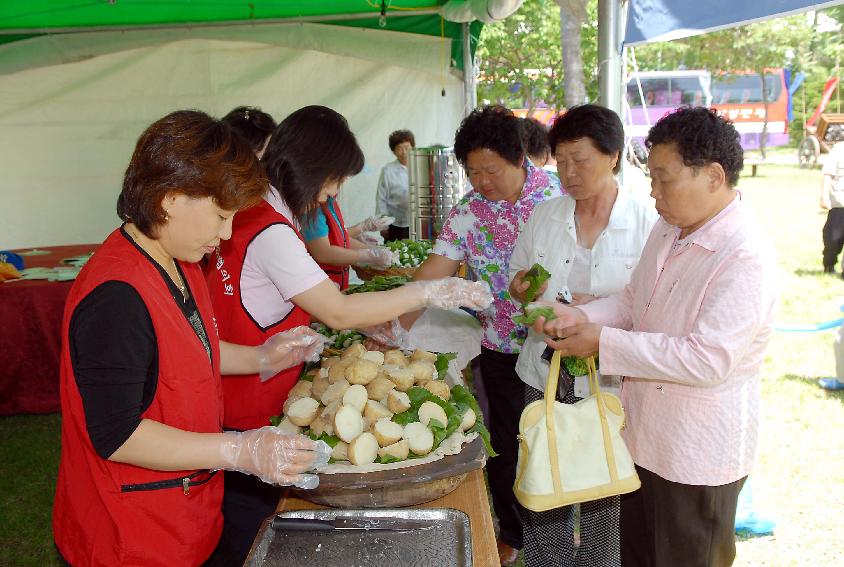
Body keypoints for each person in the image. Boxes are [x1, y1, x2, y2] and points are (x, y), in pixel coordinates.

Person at [206, 104, 492, 562]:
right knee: (252, 535)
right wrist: (426, 292)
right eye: (336, 180)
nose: (331, 195)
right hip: (248, 401)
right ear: (314, 165)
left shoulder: (258, 210)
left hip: (243, 384)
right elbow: (338, 311)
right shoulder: (269, 227)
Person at [52, 110, 331, 567]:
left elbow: (185, 348)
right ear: (170, 198)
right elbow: (117, 434)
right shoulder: (115, 298)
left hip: (184, 515)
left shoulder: (180, 260)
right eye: (221, 216)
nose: (225, 236)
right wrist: (238, 450)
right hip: (128, 534)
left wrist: (262, 357)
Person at [534, 107, 778, 567]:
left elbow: (707, 360)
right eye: (652, 178)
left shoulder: (745, 255)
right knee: (639, 555)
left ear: (713, 176)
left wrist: (603, 343)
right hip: (643, 436)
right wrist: (579, 316)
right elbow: (632, 301)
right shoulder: (668, 229)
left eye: (665, 179)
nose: (654, 192)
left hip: (695, 453)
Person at [401, 104, 562, 566]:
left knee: (555, 442)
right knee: (507, 445)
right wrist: (391, 326)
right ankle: (512, 532)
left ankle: (563, 534)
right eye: (473, 172)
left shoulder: (554, 199)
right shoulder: (468, 212)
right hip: (500, 349)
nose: (482, 181)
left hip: (556, 348)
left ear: (519, 158)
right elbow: (433, 275)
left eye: (491, 170)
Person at [508, 104, 658, 567]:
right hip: (545, 369)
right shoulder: (544, 216)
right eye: (561, 161)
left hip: (610, 379)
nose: (569, 173)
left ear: (613, 156)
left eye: (581, 160)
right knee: (547, 478)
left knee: (602, 485)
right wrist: (524, 293)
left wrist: (590, 321)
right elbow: (520, 280)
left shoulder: (649, 221)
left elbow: (649, 309)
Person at [285, 107, 395, 289]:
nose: (335, 191)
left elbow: (339, 238)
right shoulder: (310, 208)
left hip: (335, 286)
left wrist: (373, 250)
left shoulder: (326, 200)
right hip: (324, 285)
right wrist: (365, 255)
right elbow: (323, 252)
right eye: (337, 179)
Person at [375, 129, 416, 240]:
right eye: (399, 148)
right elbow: (381, 199)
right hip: (396, 224)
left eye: (407, 147)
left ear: (413, 147)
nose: (404, 152)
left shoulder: (420, 167)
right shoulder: (388, 170)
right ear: (393, 151)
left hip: (417, 222)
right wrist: (383, 224)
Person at [820, 141, 844, 276]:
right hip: (839, 203)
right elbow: (828, 174)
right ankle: (829, 265)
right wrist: (824, 196)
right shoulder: (839, 149)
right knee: (833, 240)